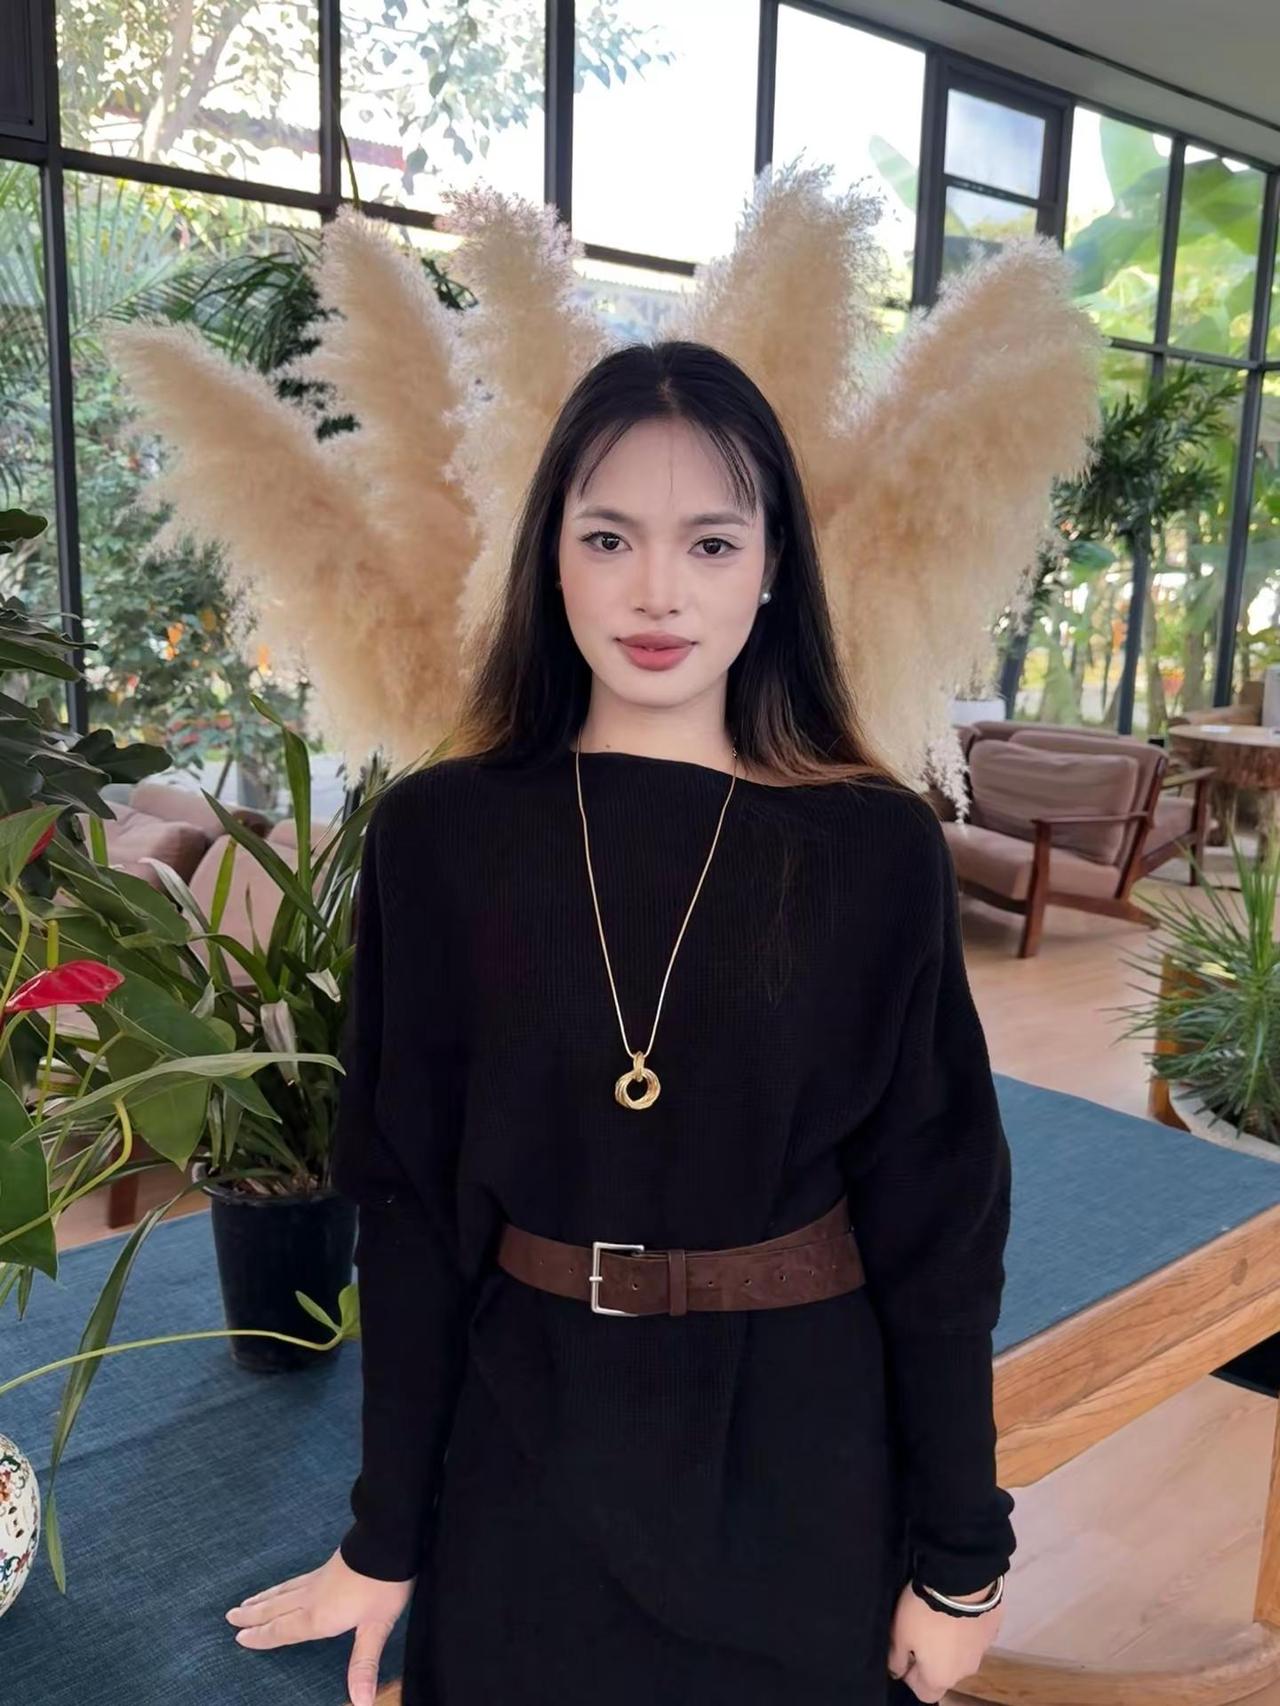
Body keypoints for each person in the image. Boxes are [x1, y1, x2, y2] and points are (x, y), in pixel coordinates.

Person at [223, 338, 1016, 1706]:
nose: (658, 590)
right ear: (551, 559)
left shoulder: (874, 846)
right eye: (609, 538)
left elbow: (939, 1223)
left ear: (773, 567)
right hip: (525, 1449)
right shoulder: (437, 836)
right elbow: (409, 1211)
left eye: (711, 542)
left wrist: (962, 1559)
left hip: (802, 1463)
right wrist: (384, 1534)